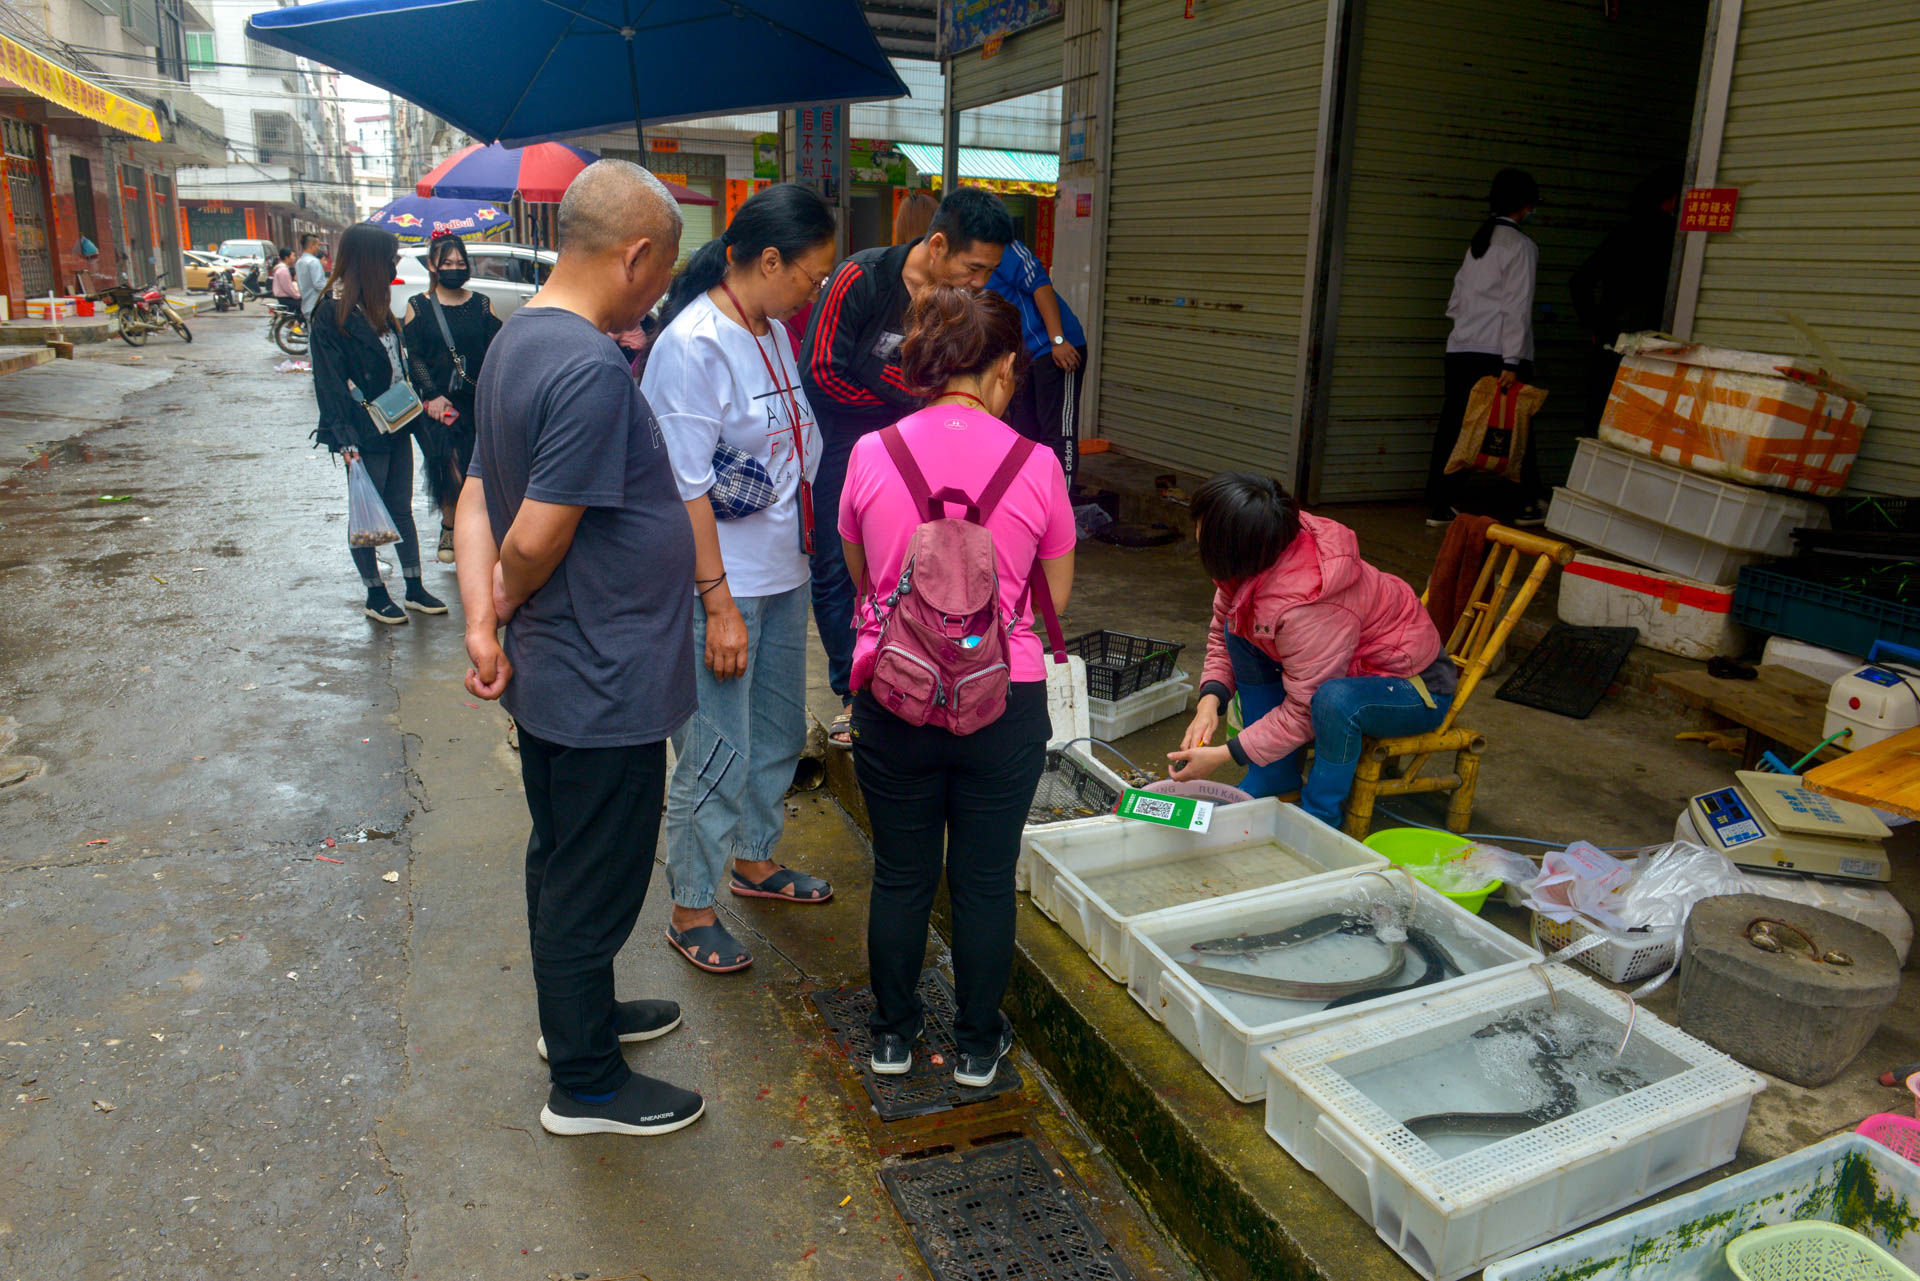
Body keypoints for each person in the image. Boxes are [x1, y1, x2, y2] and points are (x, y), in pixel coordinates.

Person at [453, 159, 705, 1139]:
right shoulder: (591, 367)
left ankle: (580, 1025)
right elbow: (530, 536)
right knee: (591, 882)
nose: (662, 290)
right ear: (636, 255)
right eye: (665, 268)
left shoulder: (518, 340)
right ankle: (587, 1087)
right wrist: (503, 602)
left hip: (566, 667)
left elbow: (477, 492)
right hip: (602, 676)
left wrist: (484, 623)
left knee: (562, 858)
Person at [841, 286, 1073, 1086]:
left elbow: (863, 578)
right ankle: (978, 1046)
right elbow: (1054, 597)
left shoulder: (873, 452)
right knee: (981, 878)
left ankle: (892, 1039)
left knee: (902, 874)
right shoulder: (1037, 463)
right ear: (1006, 366)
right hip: (1003, 699)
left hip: (893, 694)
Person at [642, 183, 838, 975]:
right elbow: (683, 484)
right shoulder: (693, 345)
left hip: (783, 568)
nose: (816, 289)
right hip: (723, 586)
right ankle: (692, 905)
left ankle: (755, 860)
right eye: (811, 274)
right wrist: (716, 603)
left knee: (779, 730)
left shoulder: (773, 329)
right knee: (715, 751)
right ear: (766, 260)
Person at [801, 186, 1016, 748]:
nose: (979, 284)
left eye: (989, 273)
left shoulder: (961, 304)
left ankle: (932, 673)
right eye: (973, 267)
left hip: (930, 442)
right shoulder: (862, 279)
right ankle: (855, 689)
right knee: (837, 570)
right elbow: (821, 371)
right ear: (938, 244)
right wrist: (910, 403)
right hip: (850, 444)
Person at [1169, 474, 1453, 829]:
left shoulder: (1310, 604)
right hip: (1343, 667)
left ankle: (1320, 816)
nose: (1197, 531)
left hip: (1413, 688)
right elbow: (1221, 631)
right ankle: (1273, 774)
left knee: (1334, 702)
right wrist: (1209, 703)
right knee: (1237, 628)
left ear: (1231, 546)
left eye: (1203, 526)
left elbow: (1305, 708)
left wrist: (1225, 755)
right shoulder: (1260, 550)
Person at [308, 222, 446, 625]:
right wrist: (345, 440)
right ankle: (375, 593)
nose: (396, 262)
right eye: (391, 256)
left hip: (397, 424)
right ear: (371, 261)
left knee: (401, 509)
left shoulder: (380, 306)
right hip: (362, 433)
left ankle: (414, 587)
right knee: (368, 516)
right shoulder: (331, 314)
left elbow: (400, 367)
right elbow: (329, 384)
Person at [1426, 168, 1543, 528]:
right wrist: (1512, 360)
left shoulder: (1477, 243)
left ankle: (1439, 503)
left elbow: (1456, 302)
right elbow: (1517, 307)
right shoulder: (1520, 246)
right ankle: (1526, 503)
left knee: (1456, 426)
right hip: (1498, 353)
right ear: (1527, 205)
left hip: (1461, 348)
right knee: (1517, 428)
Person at [403, 232, 501, 564]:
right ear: (433, 266)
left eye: (460, 262)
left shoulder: (483, 304)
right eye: (447, 263)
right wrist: (431, 395)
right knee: (448, 467)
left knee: (477, 470)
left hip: (477, 402)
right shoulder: (418, 306)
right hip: (438, 407)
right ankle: (451, 525)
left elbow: (496, 351)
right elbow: (413, 357)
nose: (455, 268)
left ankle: (474, 531)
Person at [1572, 165, 1680, 430]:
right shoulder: (1676, 237)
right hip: (1656, 345)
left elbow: (1579, 281)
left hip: (1612, 339)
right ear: (1672, 199)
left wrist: (1596, 325)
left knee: (1600, 419)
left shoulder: (1622, 233)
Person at [986, 238, 1087, 482]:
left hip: (1055, 349)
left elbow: (1042, 286)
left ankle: (1061, 511)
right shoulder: (959, 262)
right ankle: (1031, 505)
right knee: (1023, 434)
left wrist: (1058, 340)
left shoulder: (1003, 246)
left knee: (1058, 435)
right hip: (1021, 357)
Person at [296, 232, 328, 324]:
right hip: (316, 304)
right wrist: (330, 289)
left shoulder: (300, 262)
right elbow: (318, 284)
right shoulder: (314, 262)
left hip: (306, 303)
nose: (318, 248)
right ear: (311, 245)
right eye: (317, 245)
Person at [270, 246, 300, 317]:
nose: (294, 258)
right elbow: (288, 288)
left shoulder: (281, 268)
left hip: (283, 298)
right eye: (293, 256)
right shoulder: (283, 270)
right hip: (286, 299)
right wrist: (298, 296)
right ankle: (295, 326)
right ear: (286, 257)